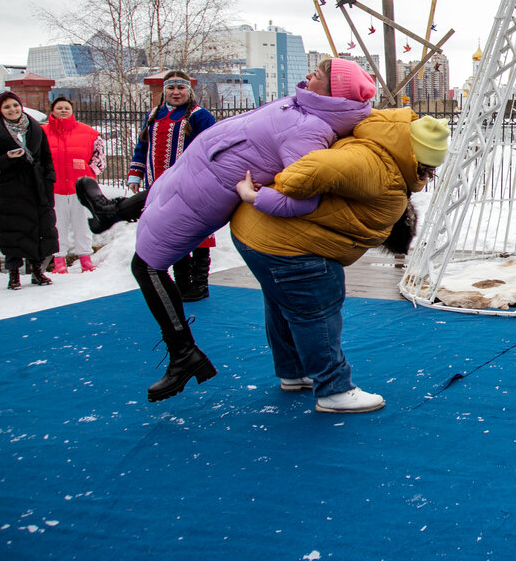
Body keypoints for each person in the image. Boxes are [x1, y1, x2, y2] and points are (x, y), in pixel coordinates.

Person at [80, 58, 377, 403]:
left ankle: (182, 352)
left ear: (333, 91)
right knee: (159, 201)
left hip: (206, 192)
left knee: (146, 265)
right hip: (200, 172)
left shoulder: (308, 128)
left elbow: (303, 196)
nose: (309, 74)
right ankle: (111, 212)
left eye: (319, 74)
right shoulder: (302, 106)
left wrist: (254, 196)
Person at [230, 109, 449, 414]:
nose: (427, 174)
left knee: (285, 302)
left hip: (266, 237)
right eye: (426, 166)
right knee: (317, 307)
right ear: (413, 154)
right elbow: (307, 171)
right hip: (288, 244)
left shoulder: (383, 160)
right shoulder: (372, 164)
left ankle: (294, 371)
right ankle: (334, 390)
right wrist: (263, 196)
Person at [124, 71, 217, 300]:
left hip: (191, 186)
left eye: (181, 88)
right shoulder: (154, 115)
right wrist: (136, 173)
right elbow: (142, 146)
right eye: (171, 88)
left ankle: (200, 284)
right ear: (164, 91)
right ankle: (182, 283)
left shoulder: (199, 116)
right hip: (158, 185)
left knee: (197, 231)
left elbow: (211, 148)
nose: (176, 93)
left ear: (189, 91)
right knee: (172, 231)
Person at [0, 91, 58, 290]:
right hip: (10, 189)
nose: (12, 110)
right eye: (6, 107)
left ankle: (37, 271)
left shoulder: (34, 127)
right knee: (14, 231)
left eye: (15, 105)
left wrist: (49, 180)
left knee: (40, 228)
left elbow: (46, 156)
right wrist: (7, 157)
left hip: (37, 186)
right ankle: (14, 274)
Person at [44, 96, 105, 274]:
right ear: (52, 111)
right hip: (54, 189)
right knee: (57, 226)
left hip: (80, 188)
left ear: (72, 111)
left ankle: (86, 260)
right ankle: (59, 262)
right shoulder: (42, 133)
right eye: (59, 108)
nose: (63, 110)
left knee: (82, 225)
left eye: (67, 108)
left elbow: (99, 158)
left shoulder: (89, 133)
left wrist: (89, 171)